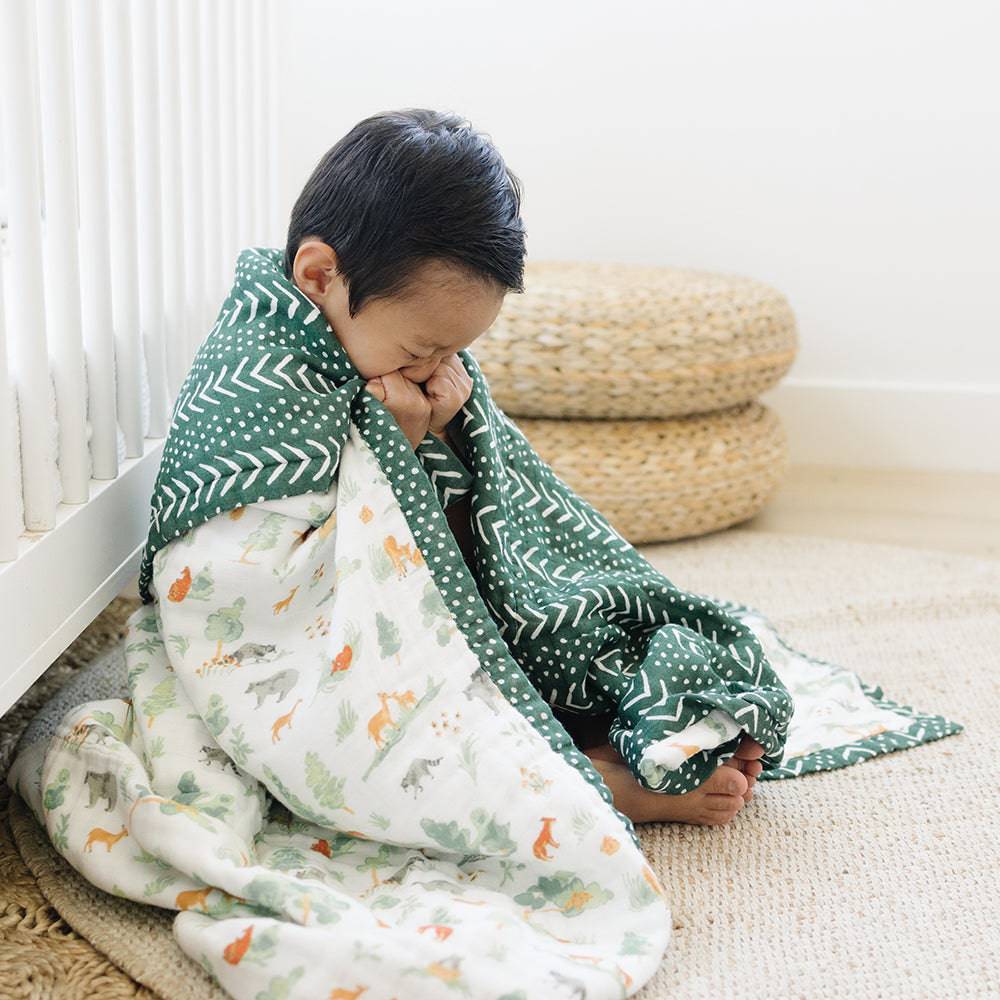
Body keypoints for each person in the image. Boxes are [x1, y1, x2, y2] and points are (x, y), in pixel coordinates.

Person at [283, 108, 764, 826]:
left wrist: (449, 434)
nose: (438, 368)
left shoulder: (417, 366)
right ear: (320, 276)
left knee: (589, 614)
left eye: (457, 350)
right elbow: (346, 592)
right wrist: (396, 449)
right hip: (372, 655)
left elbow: (503, 532)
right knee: (400, 728)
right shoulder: (271, 382)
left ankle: (626, 725)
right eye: (421, 349)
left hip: (482, 611)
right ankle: (589, 780)